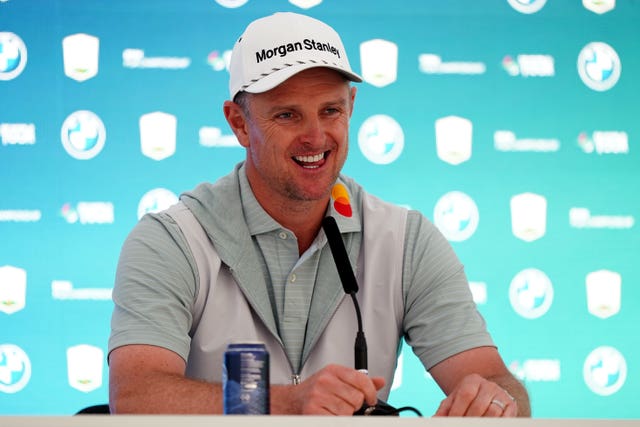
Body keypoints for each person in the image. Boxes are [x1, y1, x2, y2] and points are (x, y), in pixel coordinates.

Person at [108, 11, 531, 417]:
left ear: (351, 106)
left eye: (330, 110)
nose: (315, 137)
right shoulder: (173, 240)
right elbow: (135, 395)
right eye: (287, 115)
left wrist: (495, 403)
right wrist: (287, 404)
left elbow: (495, 380)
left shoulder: (406, 240)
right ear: (239, 123)